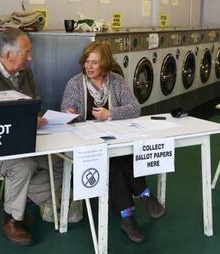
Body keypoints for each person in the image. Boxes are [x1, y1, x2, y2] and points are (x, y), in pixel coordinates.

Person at [61, 41, 166, 243]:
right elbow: (65, 110)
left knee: (120, 157)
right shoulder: (75, 83)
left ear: (106, 64)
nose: (89, 67)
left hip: (115, 139)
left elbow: (135, 108)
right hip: (87, 146)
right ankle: (142, 197)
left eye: (94, 63)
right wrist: (70, 113)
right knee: (111, 164)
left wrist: (110, 114)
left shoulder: (116, 81)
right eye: (87, 62)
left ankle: (129, 215)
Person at [0, 28, 63, 246]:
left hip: (24, 141)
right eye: (26, 53)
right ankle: (11, 218)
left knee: (60, 161)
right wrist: (26, 122)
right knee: (23, 167)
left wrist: (38, 118)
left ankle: (21, 200)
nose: (30, 58)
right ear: (8, 54)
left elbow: (33, 107)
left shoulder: (25, 72)